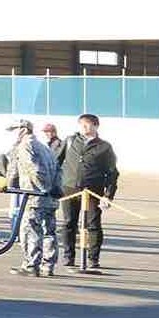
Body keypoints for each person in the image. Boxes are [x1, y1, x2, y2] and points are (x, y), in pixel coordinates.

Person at [57, 113, 118, 274]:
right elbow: (56, 162)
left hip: (92, 191)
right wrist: (55, 185)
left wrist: (108, 195)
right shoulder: (70, 141)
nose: (84, 128)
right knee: (69, 223)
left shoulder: (104, 147)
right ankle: (68, 257)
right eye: (82, 124)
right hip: (69, 189)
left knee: (93, 225)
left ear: (96, 126)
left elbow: (112, 173)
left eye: (88, 124)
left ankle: (93, 259)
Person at [0, 120, 60, 276]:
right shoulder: (45, 148)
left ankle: (31, 265)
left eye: (15, 130)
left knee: (30, 230)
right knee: (49, 231)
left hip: (35, 196)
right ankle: (48, 265)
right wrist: (55, 190)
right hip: (50, 197)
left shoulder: (25, 146)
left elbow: (32, 169)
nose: (14, 134)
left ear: (24, 130)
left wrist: (42, 188)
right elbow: (58, 170)